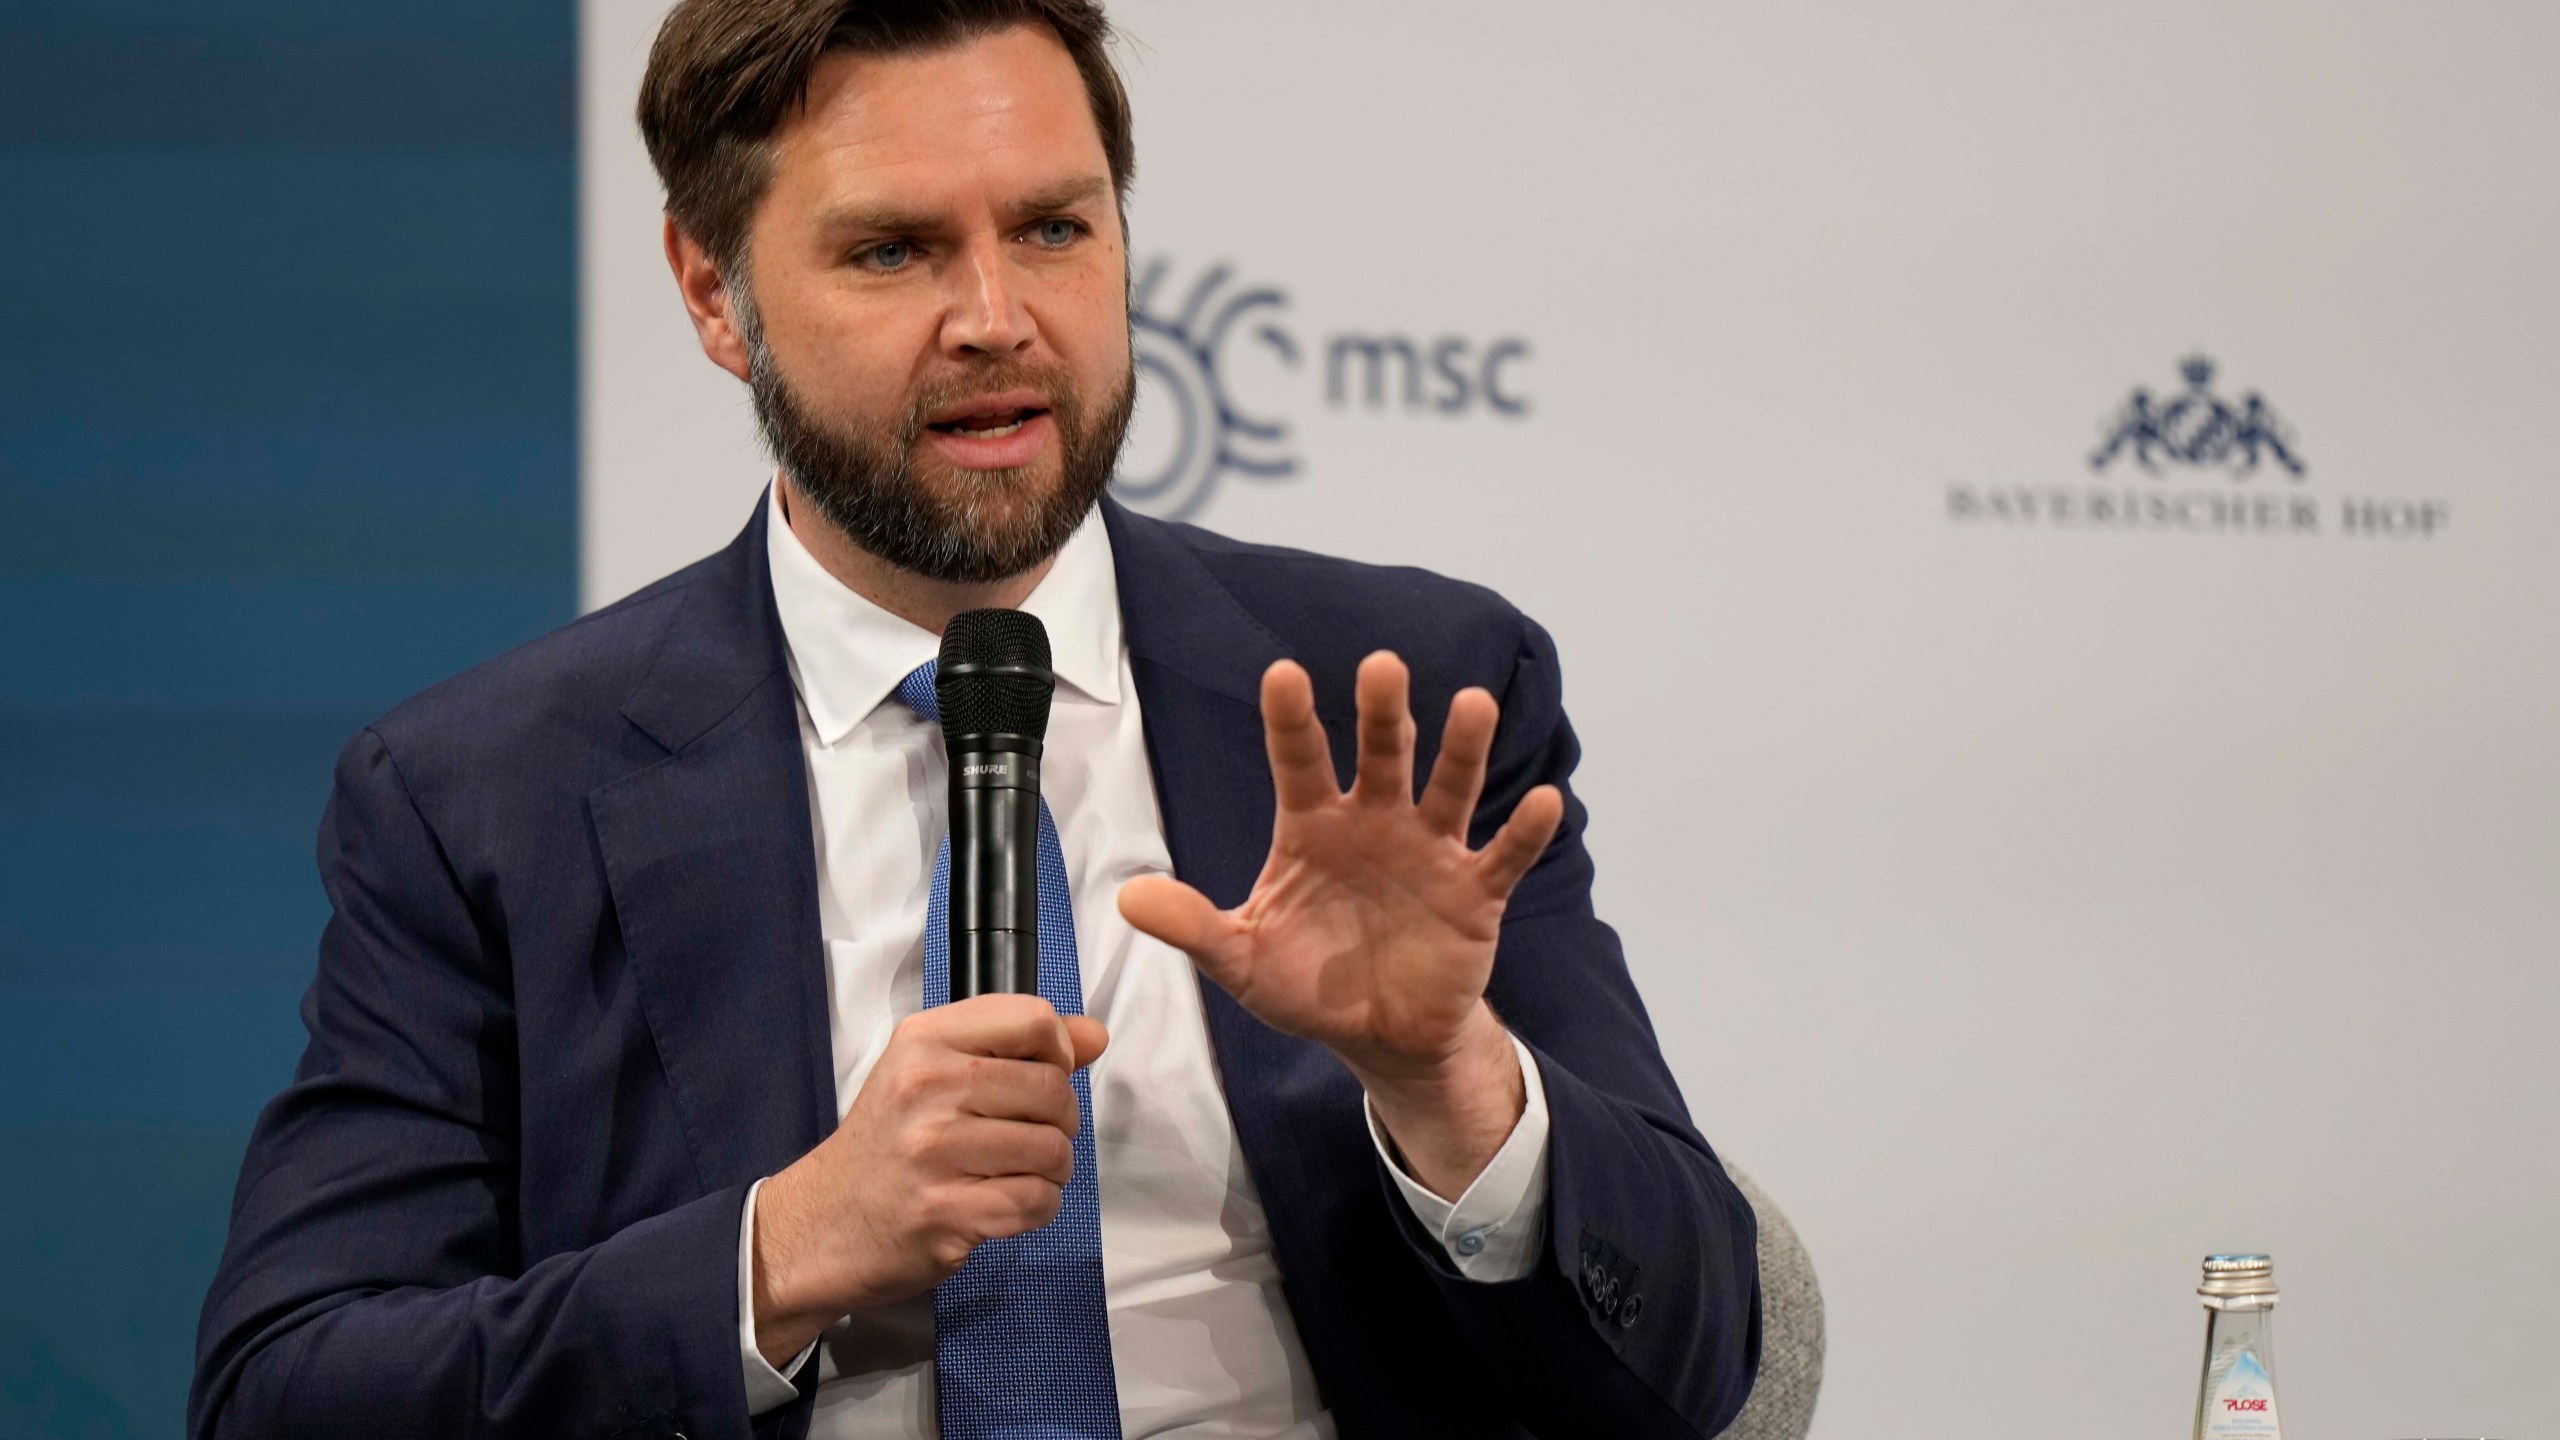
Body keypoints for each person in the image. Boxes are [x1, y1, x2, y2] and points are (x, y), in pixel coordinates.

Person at [188, 2, 1760, 1436]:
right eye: (892, 252)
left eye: (1055, 229)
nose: (997, 317)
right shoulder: (487, 799)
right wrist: (785, 1249)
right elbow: (292, 1392)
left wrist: (1455, 1086)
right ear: (710, 293)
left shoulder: (1404, 699)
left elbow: (1708, 1357)